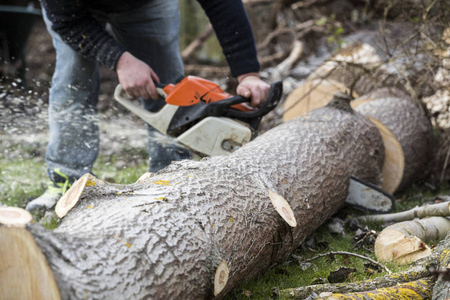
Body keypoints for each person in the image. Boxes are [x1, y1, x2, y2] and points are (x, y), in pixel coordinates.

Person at [26, 0, 270, 212]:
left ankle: (172, 177)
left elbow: (222, 3)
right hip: (73, 12)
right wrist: (120, 60)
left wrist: (247, 72)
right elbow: (67, 21)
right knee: (73, 81)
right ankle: (65, 182)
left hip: (146, 6)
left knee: (169, 88)